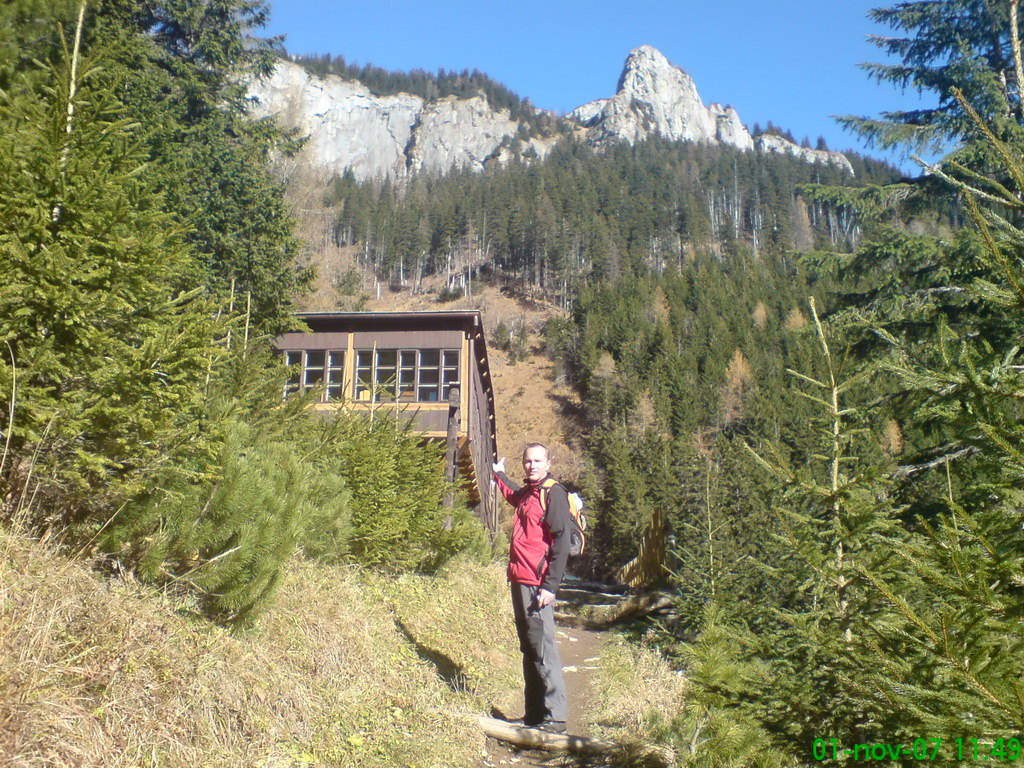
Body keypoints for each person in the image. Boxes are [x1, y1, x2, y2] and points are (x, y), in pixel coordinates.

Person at [493, 442, 571, 733]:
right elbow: (513, 494)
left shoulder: (554, 493)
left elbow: (561, 543)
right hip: (519, 578)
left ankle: (556, 718)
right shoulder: (529, 493)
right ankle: (534, 714)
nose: (532, 465)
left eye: (538, 461)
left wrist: (550, 585)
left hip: (538, 583)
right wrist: (498, 474)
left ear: (548, 463)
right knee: (529, 646)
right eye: (527, 461)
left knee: (543, 647)